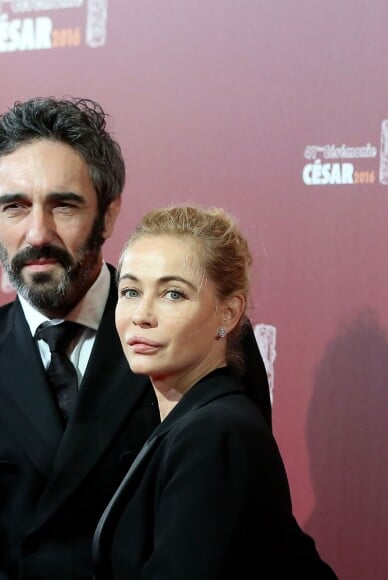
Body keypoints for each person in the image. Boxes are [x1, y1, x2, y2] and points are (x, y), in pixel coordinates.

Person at [0, 98, 271, 580]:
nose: (38, 233)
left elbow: (231, 524)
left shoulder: (196, 335)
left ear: (108, 213)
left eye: (63, 204)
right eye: (14, 206)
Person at [92, 205, 337, 579]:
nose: (141, 314)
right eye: (129, 291)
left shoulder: (213, 434)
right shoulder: (189, 422)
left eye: (173, 294)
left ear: (229, 312)